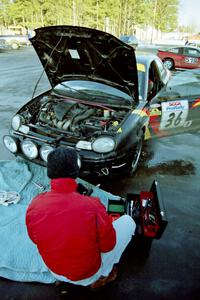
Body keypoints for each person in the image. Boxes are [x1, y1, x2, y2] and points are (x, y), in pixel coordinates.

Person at [26, 147, 135, 289]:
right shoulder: (93, 205)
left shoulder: (34, 205)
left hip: (55, 271)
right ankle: (103, 275)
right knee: (129, 221)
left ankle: (65, 279)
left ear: (50, 172)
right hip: (87, 274)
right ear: (76, 171)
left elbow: (35, 239)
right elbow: (108, 246)